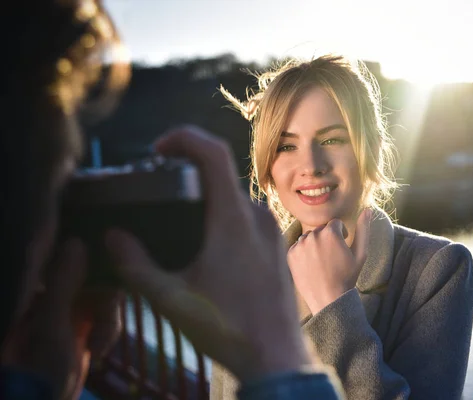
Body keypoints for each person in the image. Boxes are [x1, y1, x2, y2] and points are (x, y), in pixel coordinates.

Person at [0, 1, 344, 399]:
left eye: (334, 139)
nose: (312, 165)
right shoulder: (264, 277)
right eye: (63, 190)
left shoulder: (430, 267)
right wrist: (280, 358)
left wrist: (32, 383)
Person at [215, 55, 473, 399]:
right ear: (268, 165)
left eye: (331, 140)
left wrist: (333, 303)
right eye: (286, 145)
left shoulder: (439, 267)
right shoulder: (246, 280)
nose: (310, 165)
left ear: (370, 147)